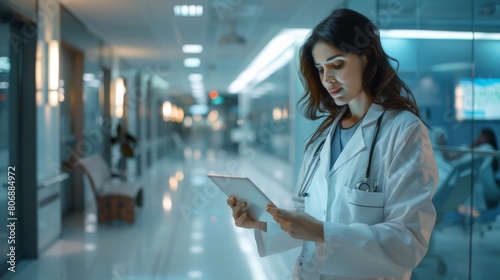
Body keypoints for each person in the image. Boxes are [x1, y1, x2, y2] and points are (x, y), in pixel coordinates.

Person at [226, 8, 438, 280]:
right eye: (320, 69)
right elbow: (304, 216)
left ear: (368, 58)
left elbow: (407, 243)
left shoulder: (404, 131)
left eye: (337, 65)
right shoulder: (322, 138)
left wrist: (321, 232)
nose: (327, 79)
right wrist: (261, 222)